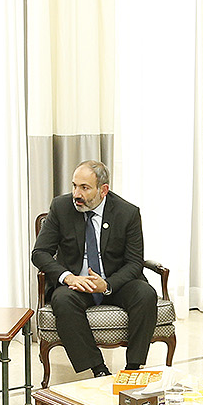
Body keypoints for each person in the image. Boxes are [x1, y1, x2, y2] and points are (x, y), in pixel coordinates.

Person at [30, 160, 157, 378]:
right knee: (62, 300)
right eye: (74, 186)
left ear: (103, 190)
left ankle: (133, 369)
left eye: (84, 188)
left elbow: (135, 262)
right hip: (77, 284)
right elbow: (39, 253)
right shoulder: (61, 207)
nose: (76, 194)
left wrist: (107, 285)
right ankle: (98, 369)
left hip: (115, 283)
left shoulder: (127, 213)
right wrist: (68, 277)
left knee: (146, 294)